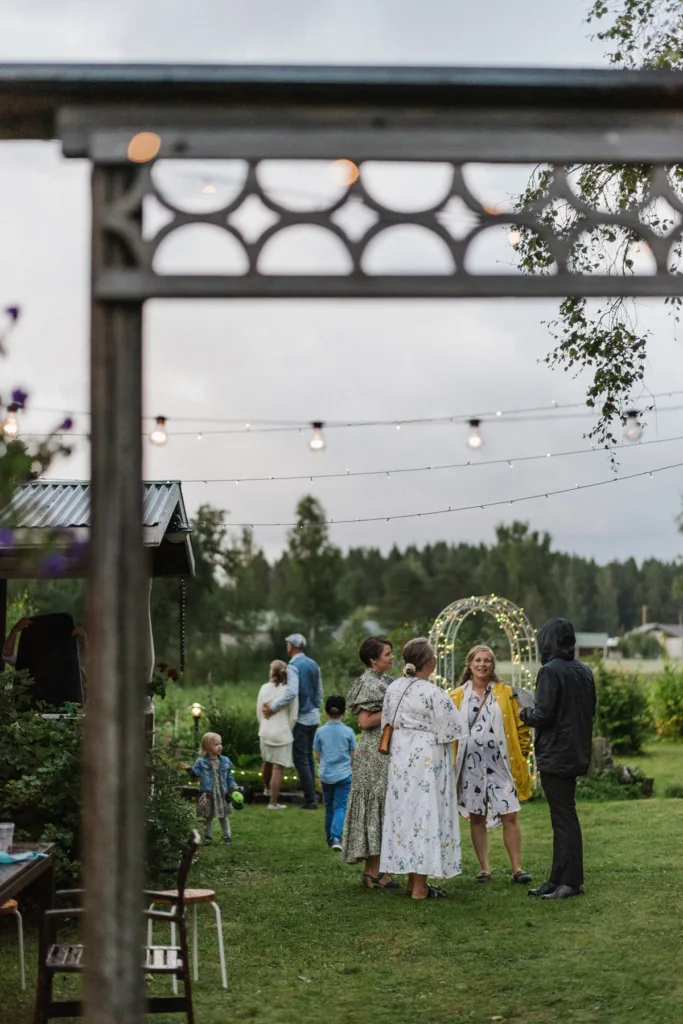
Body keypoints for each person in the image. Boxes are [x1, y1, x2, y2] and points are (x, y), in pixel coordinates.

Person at [380, 637, 466, 900]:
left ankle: (411, 881)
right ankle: (420, 887)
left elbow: (386, 719)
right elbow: (454, 729)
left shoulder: (394, 688)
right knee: (426, 816)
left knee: (406, 814)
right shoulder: (434, 693)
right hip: (427, 759)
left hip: (400, 756)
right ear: (429, 662)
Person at [519, 618, 596, 900]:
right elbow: (590, 712)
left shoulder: (549, 672)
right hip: (575, 751)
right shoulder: (584, 671)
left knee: (564, 819)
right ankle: (557, 878)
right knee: (562, 817)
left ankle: (571, 882)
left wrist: (523, 711)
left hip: (556, 754)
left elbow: (543, 716)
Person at [448, 645, 533, 884]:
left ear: (492, 665)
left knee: (510, 814)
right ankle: (484, 868)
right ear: (470, 664)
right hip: (470, 768)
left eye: (487, 661)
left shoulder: (505, 693)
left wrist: (522, 753)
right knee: (477, 817)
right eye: (478, 660)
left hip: (501, 766)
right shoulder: (456, 696)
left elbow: (521, 727)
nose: (482, 664)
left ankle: (517, 868)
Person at [341, 635, 399, 890]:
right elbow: (364, 722)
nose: (392, 657)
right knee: (377, 808)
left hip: (383, 751)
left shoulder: (384, 681)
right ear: (373, 659)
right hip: (375, 753)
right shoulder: (369, 683)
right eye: (387, 654)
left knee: (382, 809)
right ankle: (374, 872)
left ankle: (375, 871)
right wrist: (392, 713)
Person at [263, 633, 323, 810]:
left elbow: (291, 693)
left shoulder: (293, 666)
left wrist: (273, 707)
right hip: (314, 715)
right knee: (308, 758)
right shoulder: (313, 664)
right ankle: (312, 796)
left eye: (288, 644)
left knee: (300, 759)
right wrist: (316, 706)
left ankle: (309, 799)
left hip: (303, 717)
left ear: (291, 646)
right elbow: (319, 691)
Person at [313, 695, 356, 851]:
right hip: (344, 775)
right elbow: (353, 755)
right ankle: (336, 837)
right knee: (340, 807)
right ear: (345, 712)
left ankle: (330, 839)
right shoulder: (349, 732)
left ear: (325, 712)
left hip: (326, 775)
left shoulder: (320, 732)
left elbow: (318, 755)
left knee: (329, 807)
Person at [257, 659, 298, 811]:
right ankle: (273, 803)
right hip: (282, 732)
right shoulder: (289, 691)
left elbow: (259, 711)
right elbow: (293, 716)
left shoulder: (264, 688)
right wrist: (288, 728)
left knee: (266, 761)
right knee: (277, 768)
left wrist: (263, 724)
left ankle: (266, 788)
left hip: (265, 730)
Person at [191, 732, 240, 846]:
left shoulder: (226, 761)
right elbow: (195, 775)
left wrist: (233, 788)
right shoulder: (200, 762)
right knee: (206, 816)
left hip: (222, 793)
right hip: (207, 794)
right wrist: (189, 770)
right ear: (207, 747)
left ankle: (227, 836)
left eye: (220, 744)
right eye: (216, 744)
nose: (219, 746)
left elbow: (229, 777)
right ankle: (208, 837)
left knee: (223, 816)